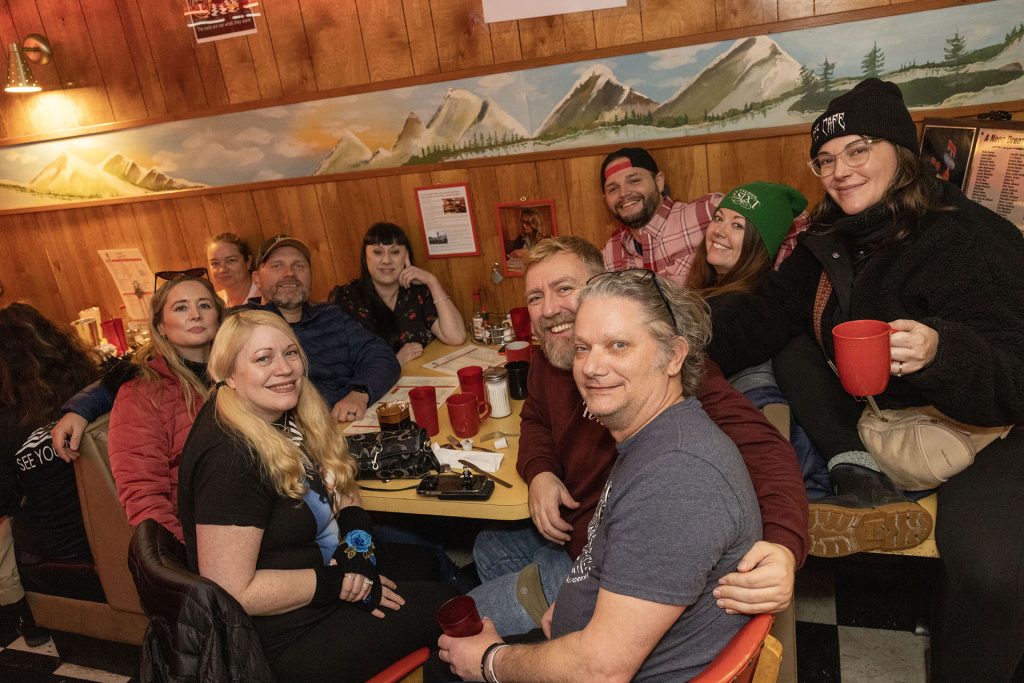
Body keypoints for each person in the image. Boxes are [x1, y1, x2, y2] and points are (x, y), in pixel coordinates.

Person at [706, 78, 1024, 680]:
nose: (839, 170)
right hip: (882, 415)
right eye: (825, 158)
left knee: (991, 567)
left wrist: (942, 353)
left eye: (858, 149)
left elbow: (1016, 370)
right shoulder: (829, 239)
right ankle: (861, 471)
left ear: (901, 153)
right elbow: (764, 314)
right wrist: (669, 354)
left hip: (992, 423)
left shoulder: (966, 237)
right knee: (788, 341)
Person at [468, 236, 808, 637]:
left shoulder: (662, 369)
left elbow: (767, 450)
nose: (550, 309)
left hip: (613, 555)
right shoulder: (552, 356)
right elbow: (536, 419)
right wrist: (541, 472)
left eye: (564, 289)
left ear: (603, 289)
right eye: (536, 297)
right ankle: (547, 628)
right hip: (578, 528)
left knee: (462, 624)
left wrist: (783, 546)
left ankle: (562, 628)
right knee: (487, 545)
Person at [440, 270, 762, 681]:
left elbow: (601, 670)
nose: (591, 367)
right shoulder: (652, 435)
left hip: (602, 669)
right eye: (582, 348)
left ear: (674, 356)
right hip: (594, 643)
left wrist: (489, 662)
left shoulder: (678, 477)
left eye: (619, 346)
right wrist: (579, 605)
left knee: (447, 661)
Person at [178, 310, 454, 682]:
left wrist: (358, 549)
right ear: (226, 373)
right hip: (282, 638)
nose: (284, 368)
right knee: (447, 608)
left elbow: (342, 482)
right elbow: (232, 591)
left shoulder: (289, 409)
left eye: (290, 353)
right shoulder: (230, 456)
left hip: (321, 571)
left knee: (426, 562)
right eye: (263, 358)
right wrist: (343, 584)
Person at [687, 182, 830, 499]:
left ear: (760, 245)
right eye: (719, 218)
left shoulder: (752, 302)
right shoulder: (703, 294)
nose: (720, 231)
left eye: (738, 226)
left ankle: (803, 488)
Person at [0, 303, 101, 647]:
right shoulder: (92, 385)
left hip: (61, 542)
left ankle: (27, 618)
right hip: (110, 524)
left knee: (6, 527)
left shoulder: (7, 417)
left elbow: (4, 499)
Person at [107, 274, 224, 542]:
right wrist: (186, 558)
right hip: (202, 538)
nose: (195, 315)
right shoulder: (141, 394)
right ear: (160, 325)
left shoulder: (240, 373)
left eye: (204, 305)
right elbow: (143, 497)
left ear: (218, 317)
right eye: (181, 307)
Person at [245, 234, 400, 422]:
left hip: (354, 422)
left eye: (299, 266)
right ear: (257, 279)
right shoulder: (245, 326)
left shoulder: (331, 315)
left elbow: (380, 355)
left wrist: (359, 393)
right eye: (277, 266)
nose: (289, 273)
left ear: (311, 275)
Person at [599, 147, 807, 286]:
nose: (624, 193)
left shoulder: (707, 211)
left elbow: (794, 222)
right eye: (612, 188)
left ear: (659, 182)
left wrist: (773, 284)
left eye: (634, 180)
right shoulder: (611, 251)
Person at [329, 223, 465, 366]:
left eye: (395, 252)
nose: (386, 260)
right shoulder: (347, 298)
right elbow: (342, 365)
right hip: (377, 387)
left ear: (406, 256)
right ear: (365, 256)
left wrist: (432, 281)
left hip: (420, 380)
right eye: (377, 252)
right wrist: (395, 362)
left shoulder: (417, 292)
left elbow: (456, 337)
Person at [206, 232, 260, 307]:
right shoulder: (214, 303)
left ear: (248, 262)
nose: (222, 270)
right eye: (215, 263)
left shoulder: (267, 296)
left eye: (231, 261)